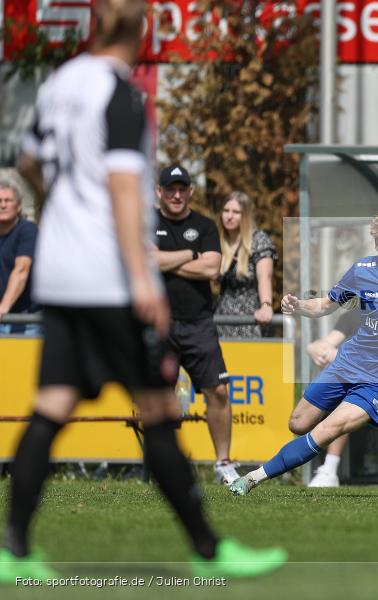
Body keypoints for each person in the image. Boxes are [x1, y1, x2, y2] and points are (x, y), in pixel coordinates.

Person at [0, 0, 285, 584]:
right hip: (106, 277)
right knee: (157, 410)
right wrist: (139, 276)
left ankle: (13, 550)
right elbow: (126, 187)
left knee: (53, 405)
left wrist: (62, 206)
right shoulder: (121, 93)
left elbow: (27, 161)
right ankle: (210, 553)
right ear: (141, 27)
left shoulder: (59, 84)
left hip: (61, 273)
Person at [228, 207, 378, 496]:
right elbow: (326, 304)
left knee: (327, 430)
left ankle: (252, 478)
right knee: (298, 423)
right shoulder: (361, 272)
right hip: (348, 364)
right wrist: (302, 306)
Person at [154, 164, 236, 484]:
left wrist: (167, 261)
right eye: (170, 188)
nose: (176, 194)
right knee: (160, 399)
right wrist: (191, 255)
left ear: (190, 192)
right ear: (159, 191)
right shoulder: (145, 222)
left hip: (198, 322)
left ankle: (223, 464)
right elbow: (147, 260)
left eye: (181, 189)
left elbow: (212, 268)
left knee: (218, 391)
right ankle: (164, 467)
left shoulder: (204, 225)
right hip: (158, 322)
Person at [304, 308, 362, 487]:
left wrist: (337, 356)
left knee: (346, 382)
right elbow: (325, 343)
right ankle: (329, 469)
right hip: (360, 382)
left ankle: (329, 468)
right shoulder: (354, 315)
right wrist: (313, 348)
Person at [215, 191, 277, 338]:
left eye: (236, 212)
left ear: (246, 216)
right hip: (221, 321)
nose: (229, 216)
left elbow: (265, 277)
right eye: (226, 211)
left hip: (250, 320)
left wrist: (266, 306)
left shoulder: (258, 240)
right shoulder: (217, 240)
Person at [0, 180, 39, 335]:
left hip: (26, 320)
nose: (2, 205)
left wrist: (3, 307)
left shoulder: (28, 230)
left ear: (18, 206)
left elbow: (21, 270)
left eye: (8, 201)